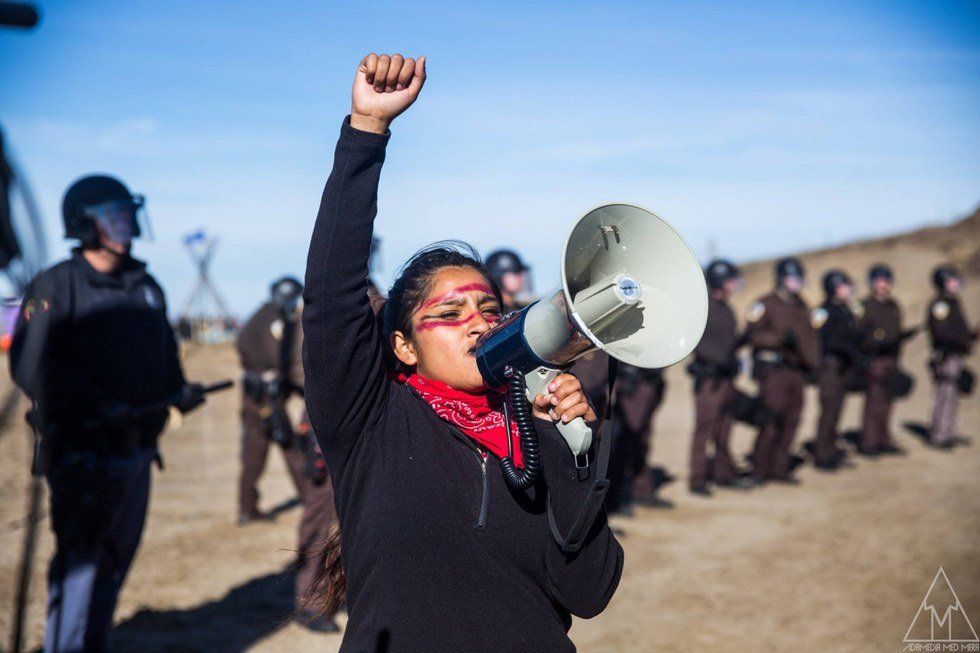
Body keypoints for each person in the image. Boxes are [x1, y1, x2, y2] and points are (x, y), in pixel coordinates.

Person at [302, 53, 622, 652]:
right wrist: (367, 133)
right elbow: (330, 296)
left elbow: (590, 592)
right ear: (402, 344)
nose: (477, 325)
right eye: (448, 315)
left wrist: (575, 453)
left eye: (489, 311)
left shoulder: (535, 426)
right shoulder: (371, 422)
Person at [9, 174, 206, 653]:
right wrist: (97, 406)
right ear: (84, 225)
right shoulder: (56, 284)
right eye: (113, 217)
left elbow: (164, 357)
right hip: (81, 453)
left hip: (137, 451)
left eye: (127, 215)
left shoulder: (146, 286)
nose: (125, 226)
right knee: (80, 564)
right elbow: (31, 367)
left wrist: (178, 391)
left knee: (116, 561)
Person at [235, 276, 307, 523]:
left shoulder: (268, 316)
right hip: (264, 397)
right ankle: (309, 498)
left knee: (256, 450)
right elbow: (276, 358)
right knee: (287, 445)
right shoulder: (270, 320)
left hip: (261, 395)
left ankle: (247, 508)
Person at [745, 257, 820, 484]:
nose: (796, 283)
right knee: (770, 420)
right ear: (781, 279)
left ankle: (780, 468)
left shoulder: (802, 306)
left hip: (797, 373)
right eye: (792, 278)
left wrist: (814, 365)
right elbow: (753, 335)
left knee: (792, 420)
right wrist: (778, 340)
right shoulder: (764, 304)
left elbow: (810, 339)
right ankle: (759, 468)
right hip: (774, 372)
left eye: (799, 278)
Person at [687, 259, 749, 495]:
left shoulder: (727, 308)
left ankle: (724, 474)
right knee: (704, 430)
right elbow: (697, 344)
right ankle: (698, 479)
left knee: (725, 427)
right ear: (720, 282)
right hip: (709, 382)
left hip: (726, 380)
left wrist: (744, 340)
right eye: (731, 280)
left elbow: (728, 343)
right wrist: (716, 359)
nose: (735, 285)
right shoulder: (705, 308)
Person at [858, 264, 915, 455]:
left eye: (886, 281)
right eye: (879, 281)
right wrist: (877, 342)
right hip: (874, 360)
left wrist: (901, 337)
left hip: (891, 359)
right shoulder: (865, 306)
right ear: (872, 283)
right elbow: (861, 335)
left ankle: (883, 440)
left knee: (888, 402)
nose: (883, 285)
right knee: (874, 402)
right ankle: (869, 443)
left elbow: (895, 331)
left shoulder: (893, 306)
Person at [811, 269, 863, 469]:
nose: (848, 290)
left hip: (844, 367)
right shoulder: (823, 312)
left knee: (837, 411)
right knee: (829, 412)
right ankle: (822, 455)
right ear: (833, 288)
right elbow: (821, 341)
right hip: (830, 368)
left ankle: (831, 451)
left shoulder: (846, 310)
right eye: (844, 286)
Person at [926, 265, 976, 448]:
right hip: (946, 357)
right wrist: (962, 341)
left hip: (956, 355)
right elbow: (942, 334)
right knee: (944, 395)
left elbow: (958, 332)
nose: (956, 283)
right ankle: (939, 435)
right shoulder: (940, 305)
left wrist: (971, 336)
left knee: (953, 395)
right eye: (952, 280)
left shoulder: (954, 302)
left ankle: (948, 432)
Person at [484, 249, 531, 313]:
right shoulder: (494, 312)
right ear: (498, 277)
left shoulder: (522, 308)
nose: (521, 278)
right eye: (516, 273)